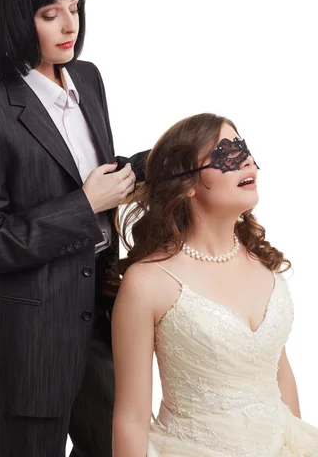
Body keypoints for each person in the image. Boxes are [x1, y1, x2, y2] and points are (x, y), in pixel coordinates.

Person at [0, 0, 148, 457]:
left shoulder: (90, 79)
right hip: (33, 337)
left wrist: (151, 168)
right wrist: (84, 204)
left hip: (104, 314)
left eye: (74, 7)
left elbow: (84, 172)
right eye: (49, 14)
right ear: (16, 20)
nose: (68, 25)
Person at [112, 113, 318, 456]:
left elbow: (280, 376)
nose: (246, 160)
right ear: (187, 184)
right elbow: (131, 419)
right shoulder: (149, 282)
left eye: (243, 148)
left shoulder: (261, 263)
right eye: (226, 154)